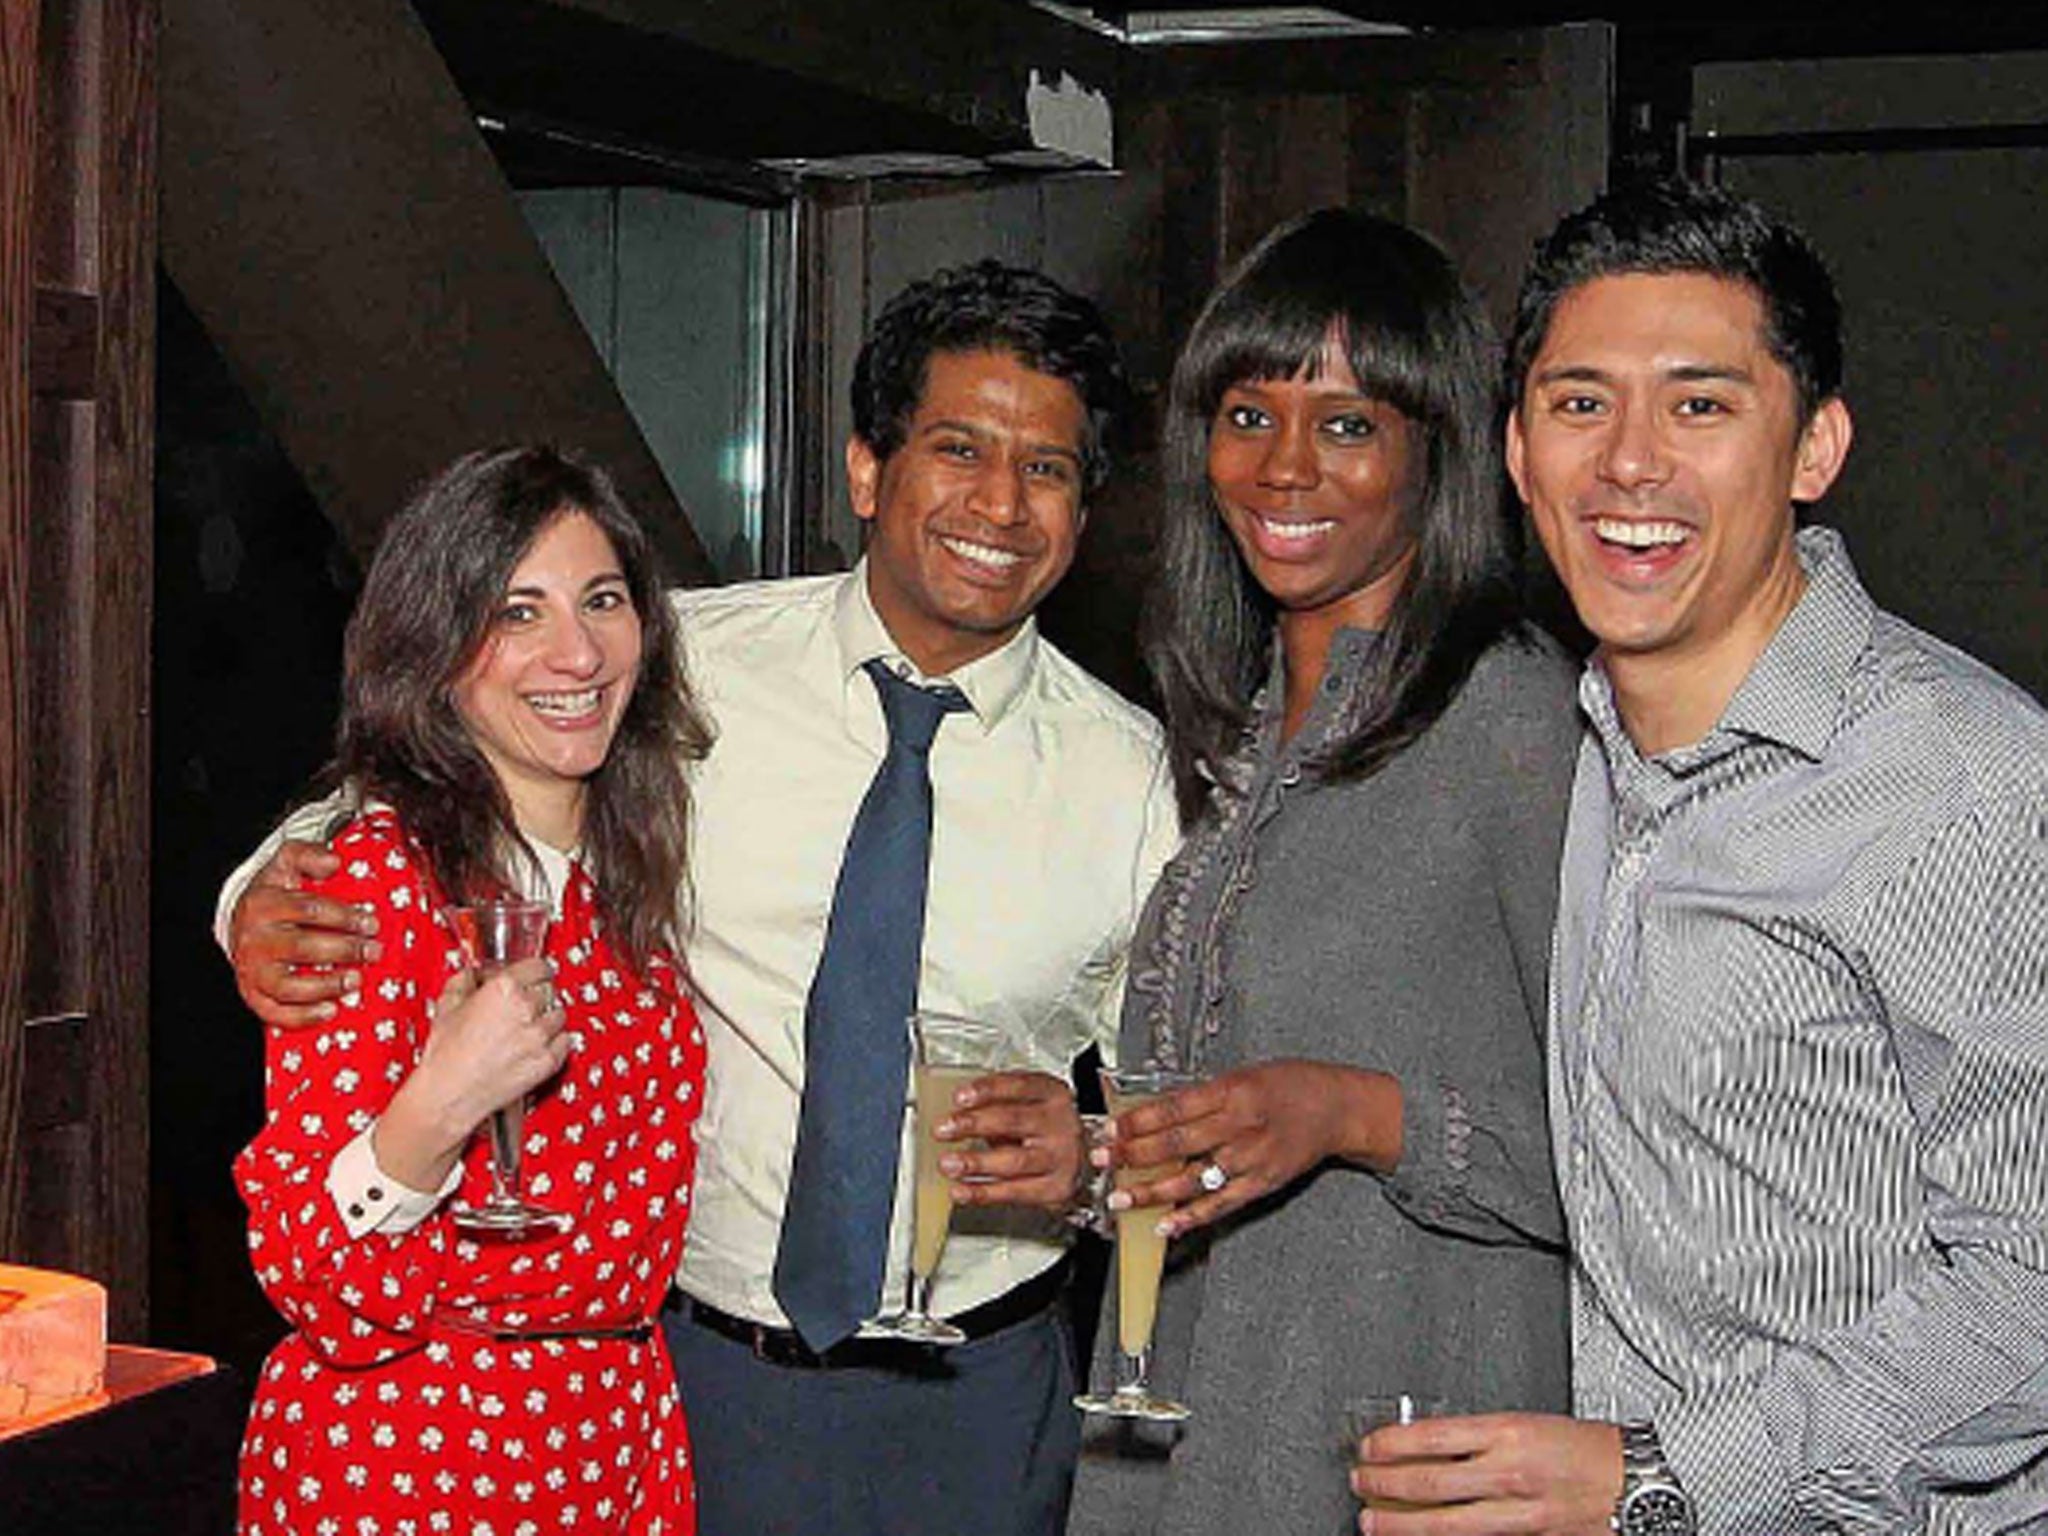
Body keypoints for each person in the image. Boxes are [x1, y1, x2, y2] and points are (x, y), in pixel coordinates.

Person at [221, 261, 1181, 1536]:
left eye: (1048, 468)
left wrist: (1090, 1164)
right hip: (691, 1378)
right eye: (957, 447)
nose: (999, 503)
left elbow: (1182, 1123)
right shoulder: (679, 668)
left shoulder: (1133, 779)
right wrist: (254, 895)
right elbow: (453, 754)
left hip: (975, 1391)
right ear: (864, 472)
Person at [1352, 179, 2048, 1534]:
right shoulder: (1592, 749)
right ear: (1516, 448)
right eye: (1580, 402)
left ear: (1814, 447)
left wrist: (1664, 1477)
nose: (1628, 462)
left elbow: (2033, 1280)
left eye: (1701, 404)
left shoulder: (1963, 780)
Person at [1066, 208, 1580, 1536]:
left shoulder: (1516, 720)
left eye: (1348, 425)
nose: (1284, 468)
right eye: (1248, 416)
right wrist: (1077, 1162)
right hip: (1183, 1420)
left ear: (1441, 453)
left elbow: (1647, 1159)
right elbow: (1222, 1126)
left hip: (1398, 1453)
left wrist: (1362, 1114)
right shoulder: (1233, 722)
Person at [233, 445, 711, 1535]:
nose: (577, 651)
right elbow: (309, 1271)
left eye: (602, 601)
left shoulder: (630, 868)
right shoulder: (368, 881)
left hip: (612, 1438)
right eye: (517, 612)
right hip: (416, 1455)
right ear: (438, 649)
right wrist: (441, 1103)